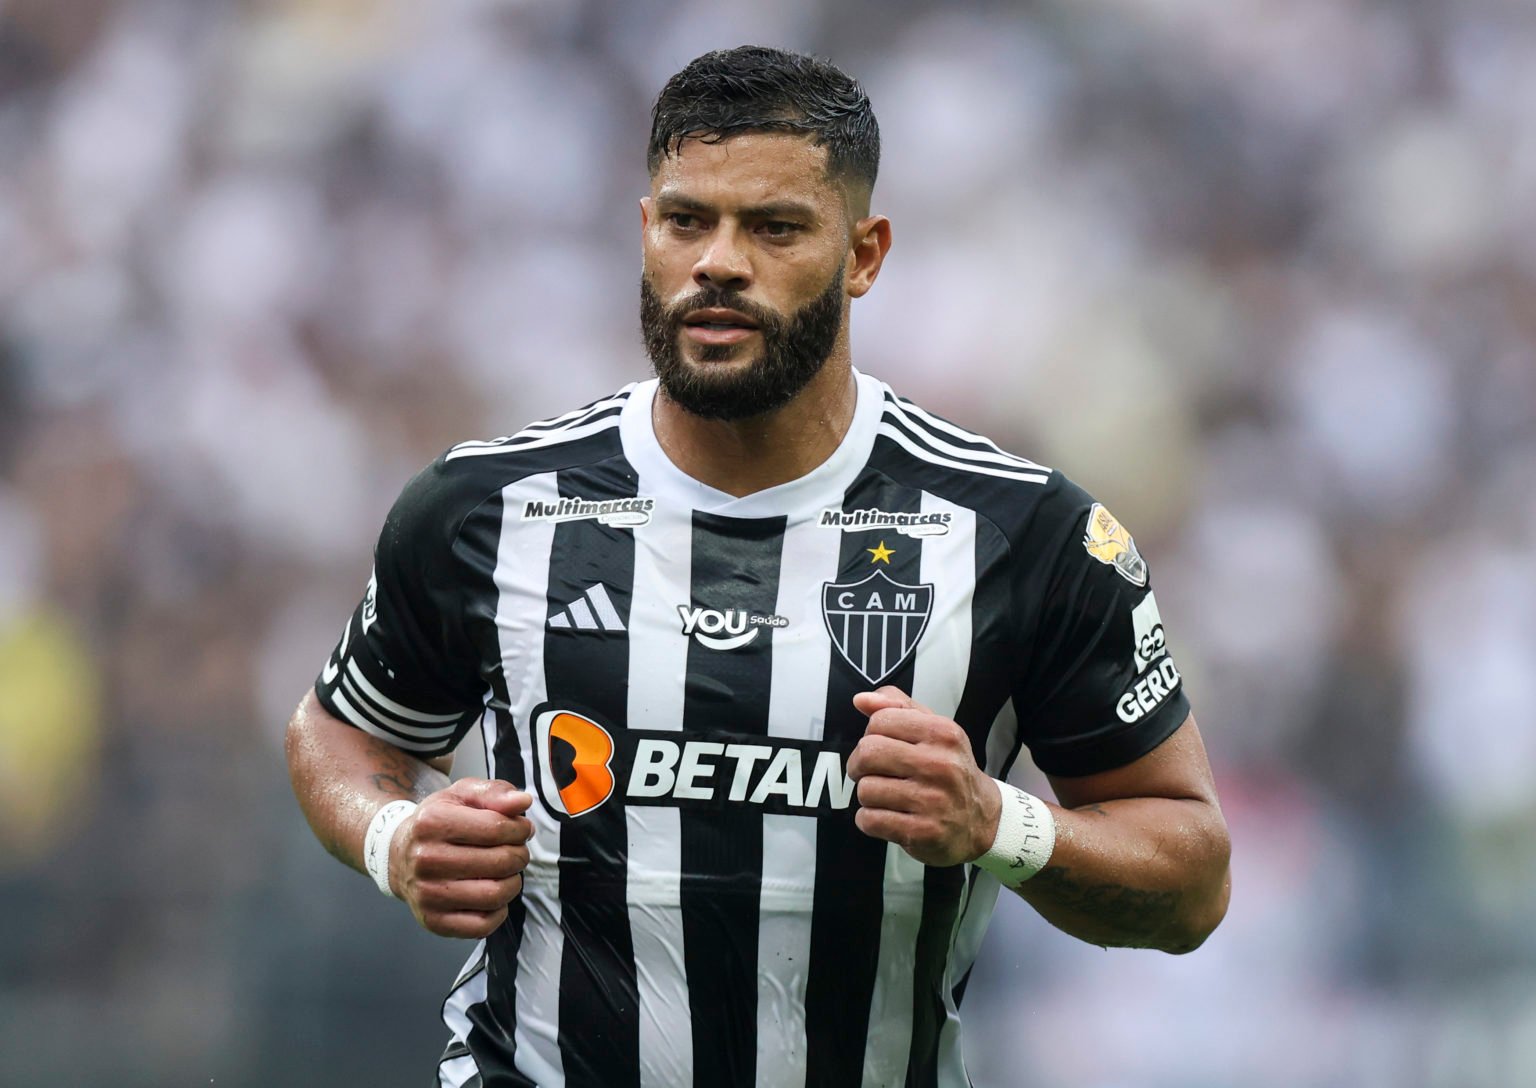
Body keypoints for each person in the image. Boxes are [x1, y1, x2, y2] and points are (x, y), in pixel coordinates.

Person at [285, 44, 1231, 1088]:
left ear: (864, 254)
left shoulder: (1022, 533)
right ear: (645, 232)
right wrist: (394, 835)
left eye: (774, 227)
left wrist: (998, 822)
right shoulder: (487, 507)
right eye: (689, 221)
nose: (719, 262)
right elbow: (341, 727)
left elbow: (1192, 876)